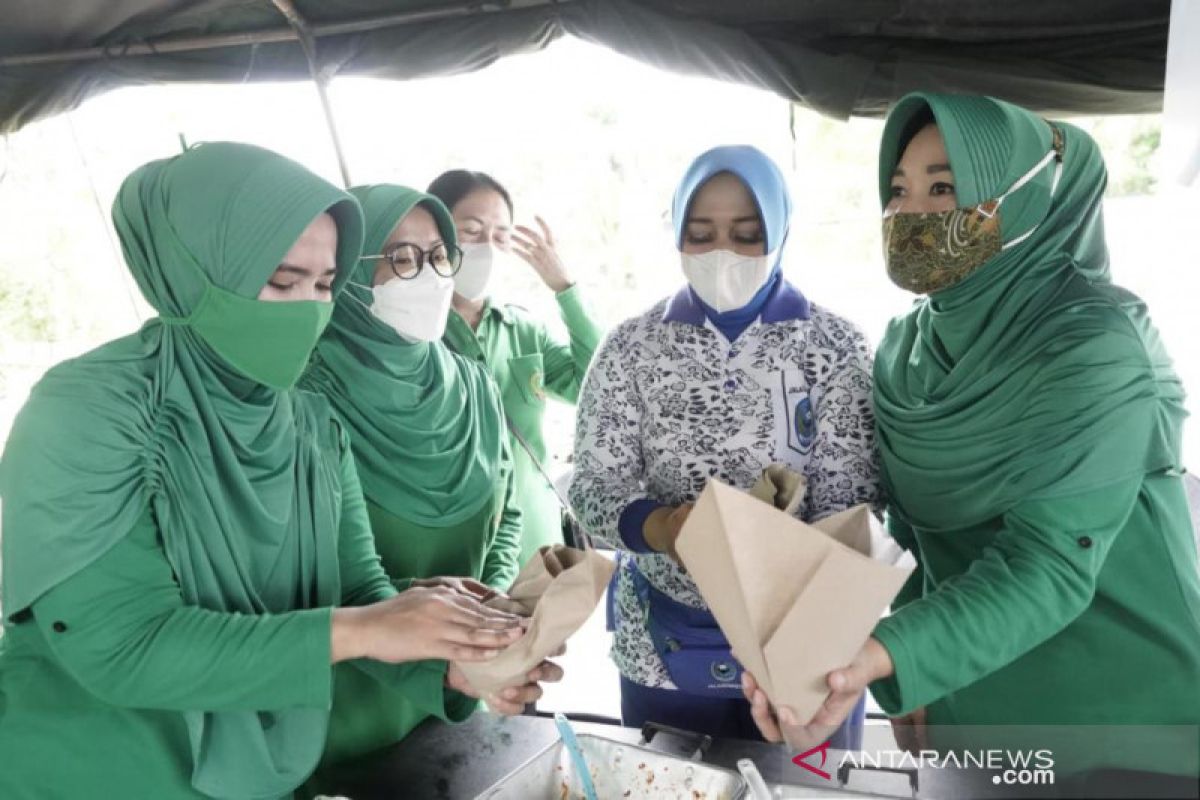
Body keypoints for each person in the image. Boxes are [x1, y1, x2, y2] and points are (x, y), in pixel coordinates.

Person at [0, 143, 540, 799]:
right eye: (282, 282)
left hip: (256, 768)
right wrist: (369, 628)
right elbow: (124, 644)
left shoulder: (309, 424)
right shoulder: (91, 409)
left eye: (322, 285)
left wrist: (449, 662)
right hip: (94, 766)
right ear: (191, 268)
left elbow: (357, 586)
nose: (306, 310)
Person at [743, 93, 1200, 786]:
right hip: (979, 700)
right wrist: (913, 670)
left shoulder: (1095, 342)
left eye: (945, 188)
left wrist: (880, 653)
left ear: (1016, 203)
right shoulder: (906, 350)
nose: (910, 214)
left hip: (1121, 718)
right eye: (899, 190)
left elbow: (1048, 563)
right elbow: (916, 535)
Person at [569, 145, 879, 746]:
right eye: (701, 233)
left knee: (809, 790)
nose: (722, 254)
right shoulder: (632, 348)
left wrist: (778, 564)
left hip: (810, 639)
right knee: (672, 782)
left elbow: (858, 499)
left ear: (781, 230)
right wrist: (665, 529)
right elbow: (592, 486)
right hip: (664, 642)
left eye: (745, 234)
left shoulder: (835, 346)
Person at [299, 184, 540, 775]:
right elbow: (329, 575)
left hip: (450, 707)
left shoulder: (471, 383)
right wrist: (452, 655)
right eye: (401, 258)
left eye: (439, 255)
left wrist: (490, 627)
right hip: (340, 711)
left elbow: (505, 513)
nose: (430, 276)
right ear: (347, 275)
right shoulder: (305, 396)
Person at [428, 170, 603, 563]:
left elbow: (596, 384)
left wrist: (565, 288)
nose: (487, 248)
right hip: (451, 552)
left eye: (501, 236)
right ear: (434, 232)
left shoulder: (522, 330)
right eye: (471, 231)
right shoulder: (412, 334)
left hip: (534, 547)